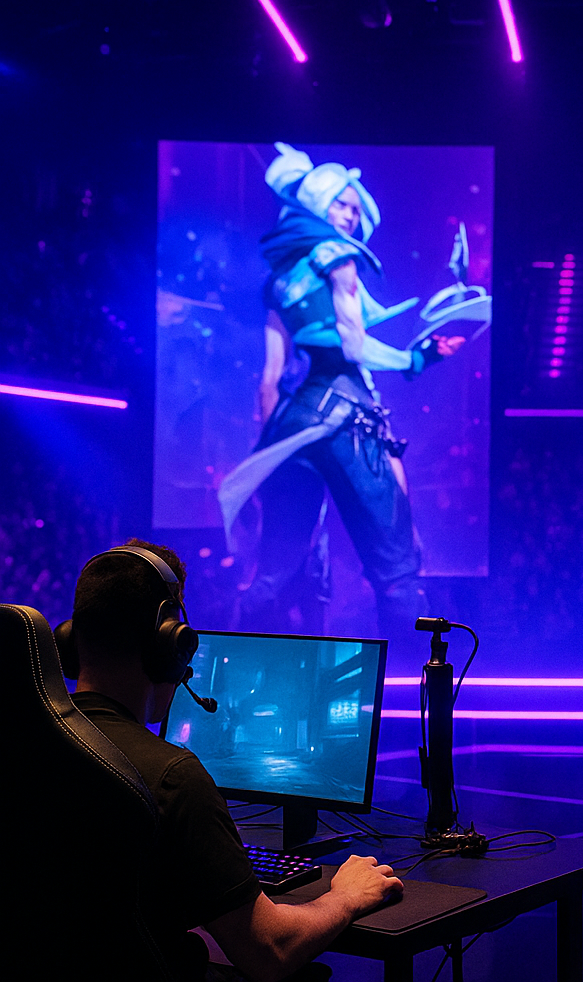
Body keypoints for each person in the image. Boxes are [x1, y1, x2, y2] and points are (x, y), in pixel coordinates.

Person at [67, 540, 403, 982]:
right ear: (170, 646)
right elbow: (269, 951)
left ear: (71, 640)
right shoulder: (173, 779)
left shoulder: (18, 743)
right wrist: (347, 895)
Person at [219, 143, 462, 639]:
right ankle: (406, 680)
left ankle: (224, 664)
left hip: (295, 423)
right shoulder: (340, 257)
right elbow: (353, 344)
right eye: (342, 205)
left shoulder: (281, 280)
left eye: (355, 208)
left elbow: (269, 381)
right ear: (318, 202)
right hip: (347, 414)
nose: (350, 216)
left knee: (274, 572)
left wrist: (266, 453)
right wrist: (416, 360)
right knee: (397, 566)